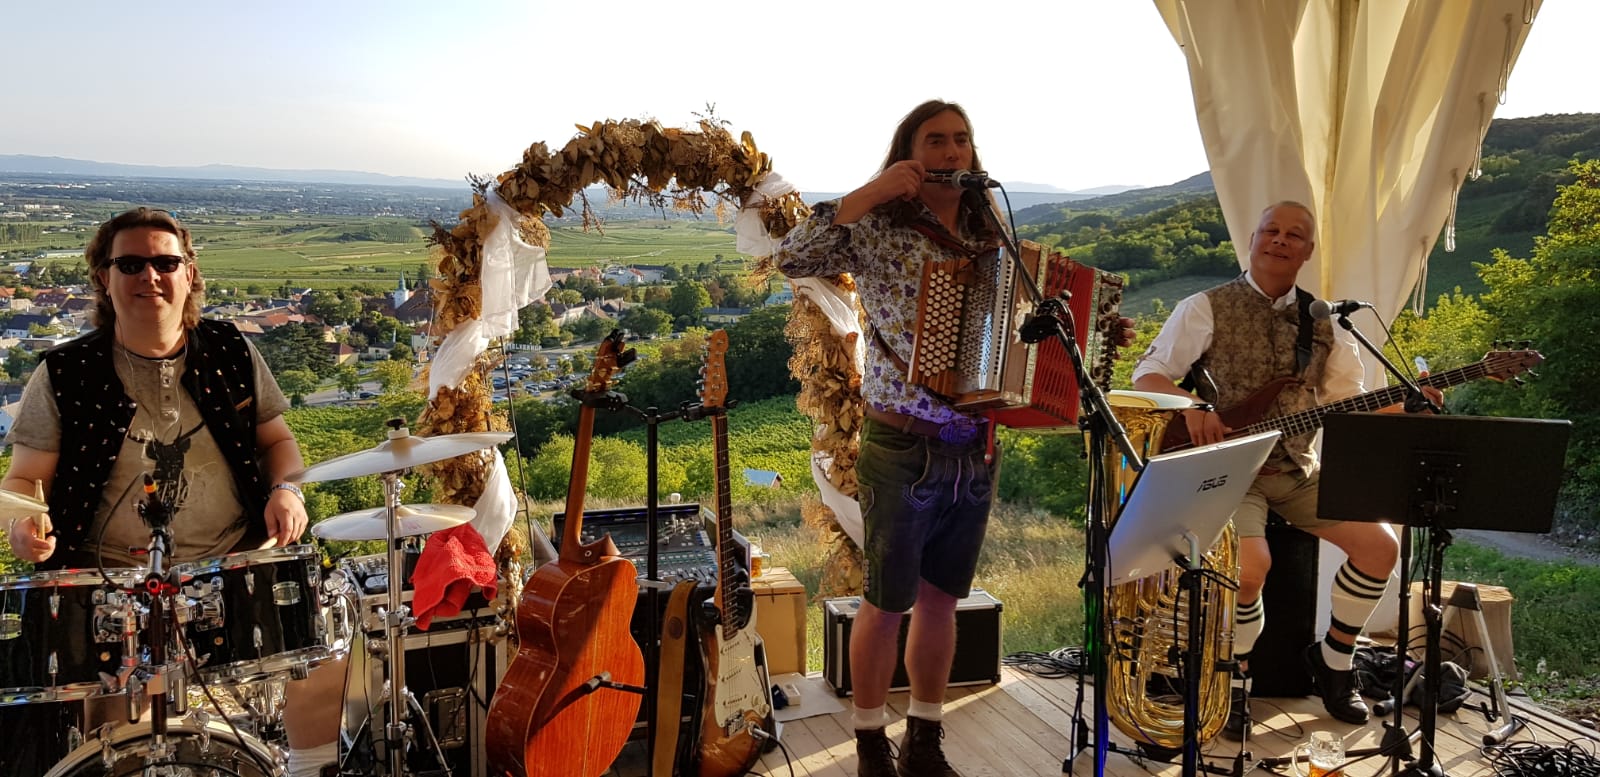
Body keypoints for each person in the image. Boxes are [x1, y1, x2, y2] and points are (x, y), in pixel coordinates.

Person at [2, 207, 343, 777]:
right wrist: (25, 524)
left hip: (233, 565)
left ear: (190, 274)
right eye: (130, 263)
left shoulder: (230, 352)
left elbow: (277, 439)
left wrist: (287, 490)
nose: (149, 277)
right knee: (119, 738)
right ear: (103, 279)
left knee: (328, 664)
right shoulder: (65, 372)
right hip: (110, 583)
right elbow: (23, 477)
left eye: (165, 262)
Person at [1131, 201, 1434, 736]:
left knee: (1380, 547)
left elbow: (1350, 400)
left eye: (1295, 234)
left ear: (1308, 250)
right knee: (1251, 567)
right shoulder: (1205, 306)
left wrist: (1408, 403)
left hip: (1296, 468)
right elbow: (1149, 376)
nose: (1280, 239)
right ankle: (1238, 680)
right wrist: (1195, 409)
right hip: (1230, 470)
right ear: (1252, 239)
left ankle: (1335, 661)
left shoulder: (1325, 322)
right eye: (1270, 230)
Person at [776, 99, 1000, 777]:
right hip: (900, 444)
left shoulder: (992, 230)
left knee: (941, 600)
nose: (952, 151)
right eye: (936, 140)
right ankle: (871, 740)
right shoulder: (875, 224)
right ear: (909, 150)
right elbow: (793, 255)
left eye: (961, 139)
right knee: (886, 600)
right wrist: (869, 192)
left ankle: (925, 739)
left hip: (975, 443)